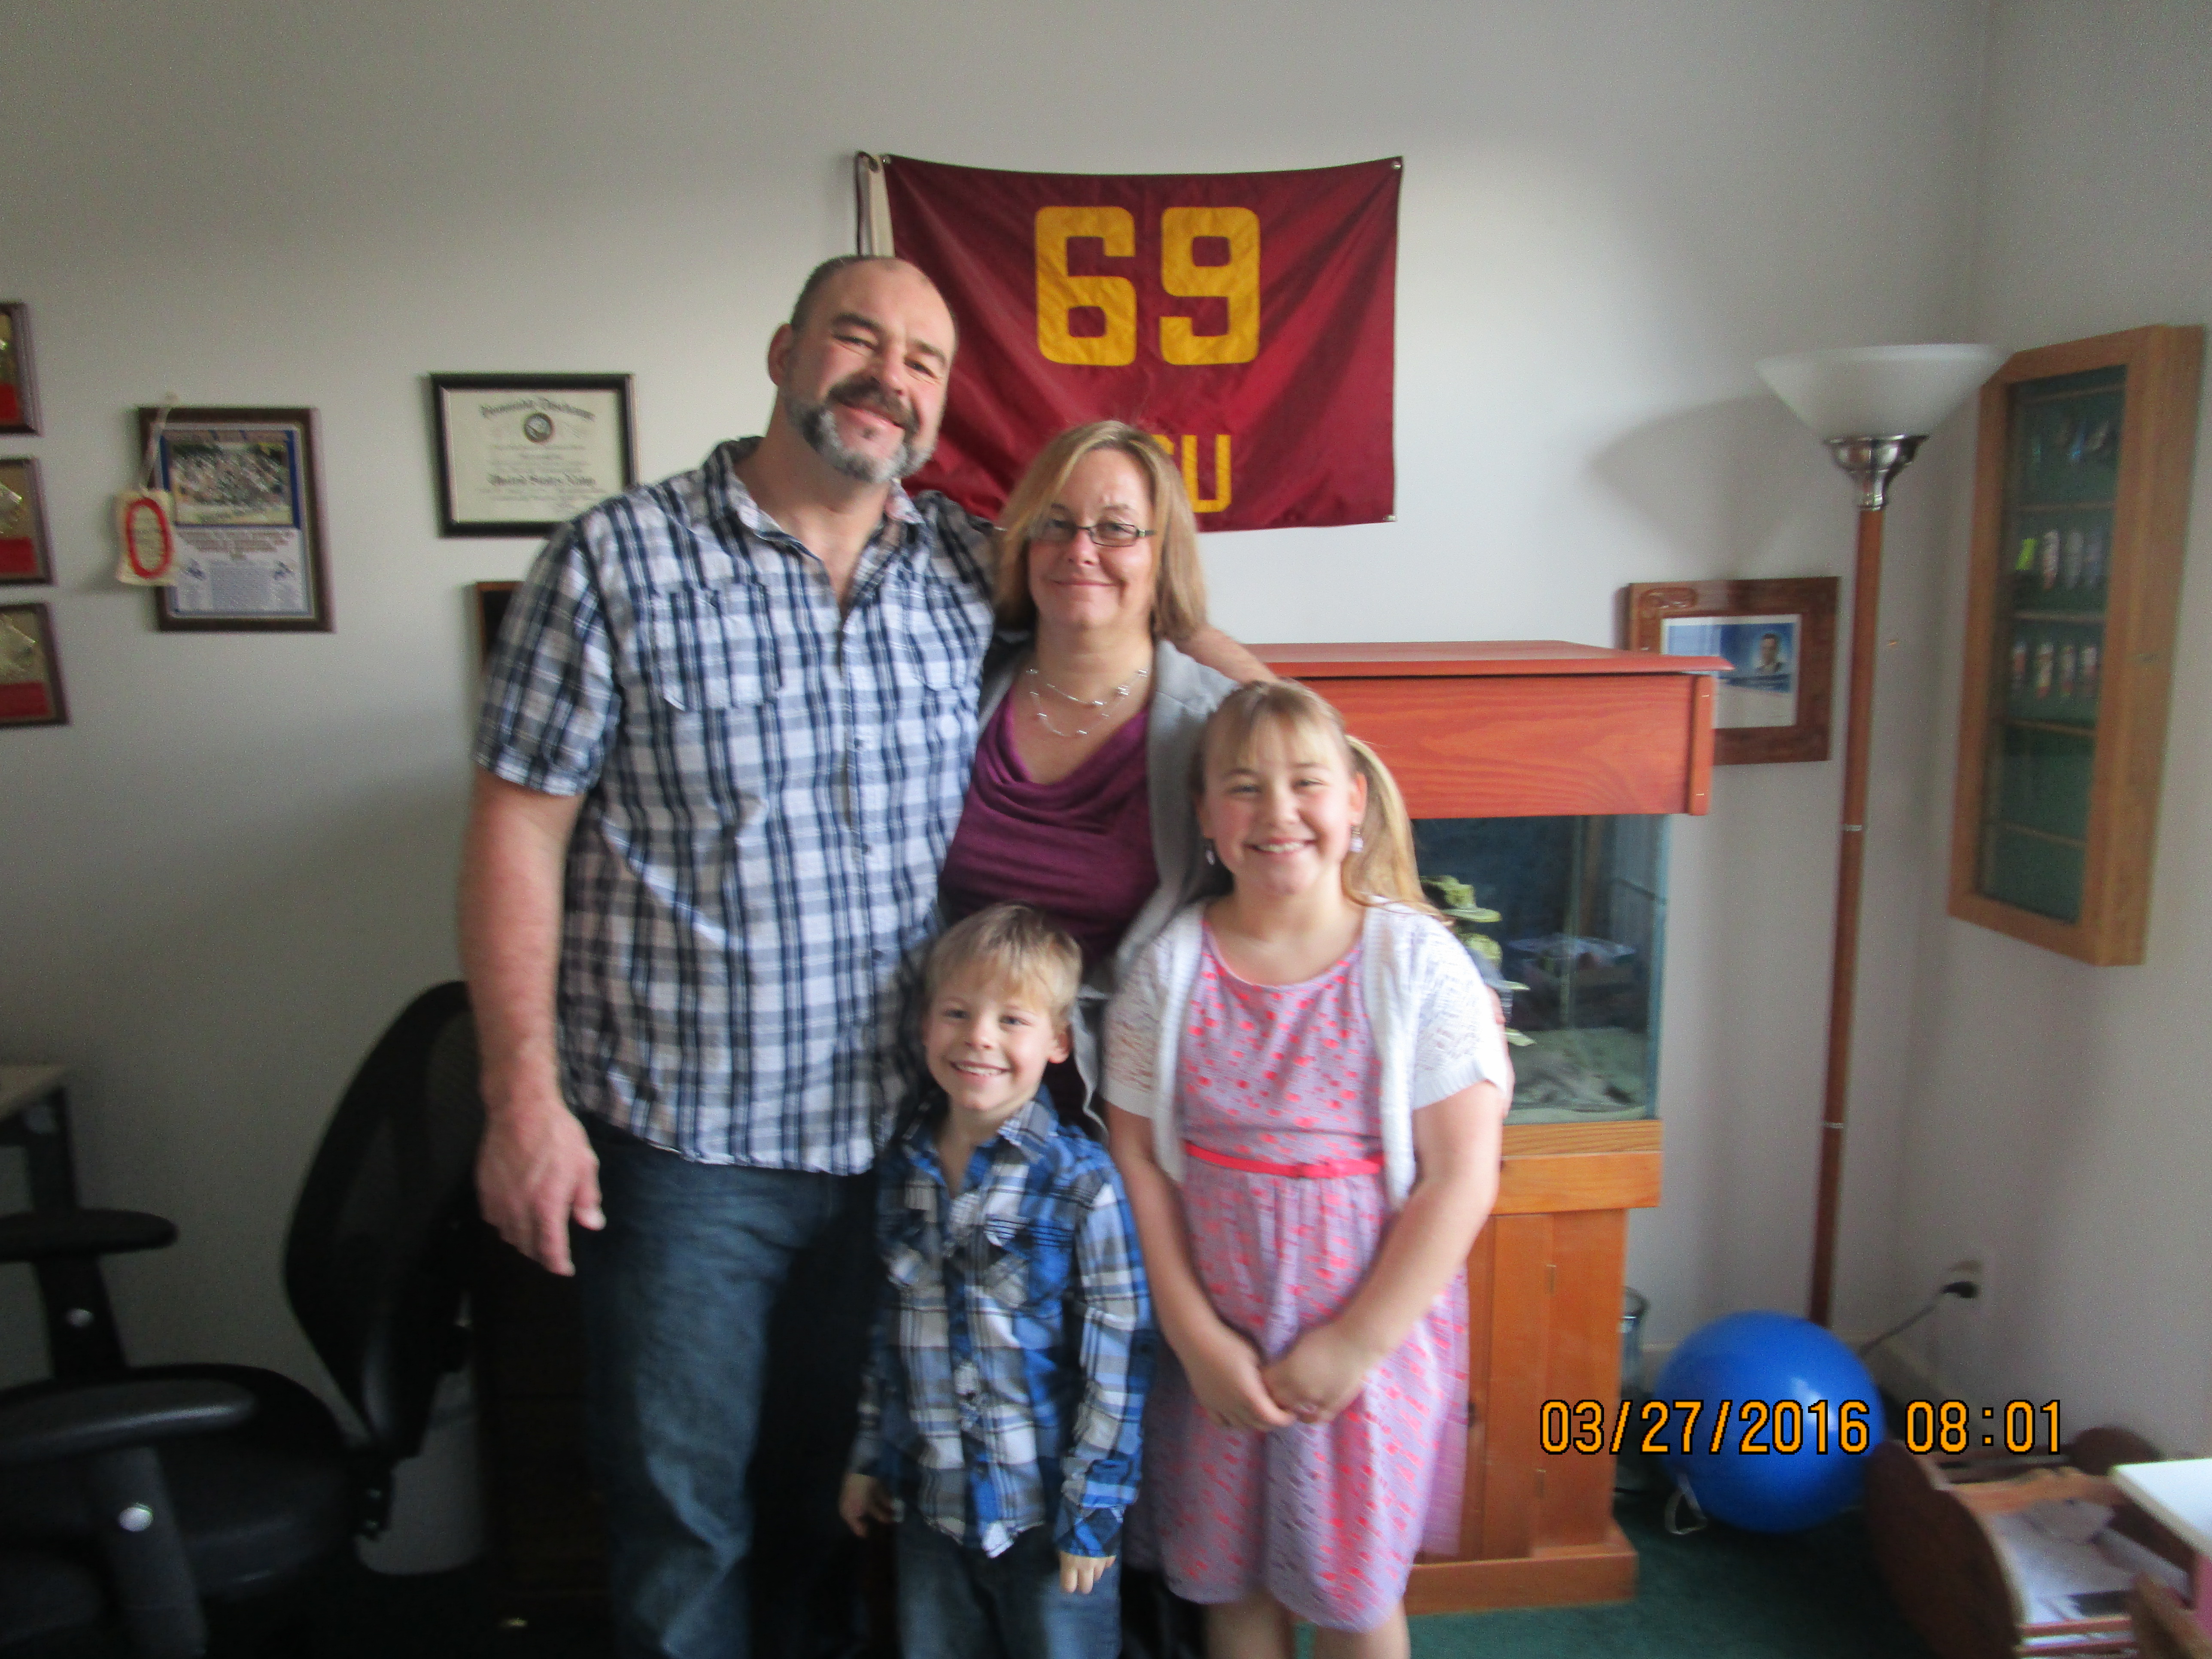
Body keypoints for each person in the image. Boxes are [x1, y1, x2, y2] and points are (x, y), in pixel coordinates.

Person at [461, 254, 1261, 1659]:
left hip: (904, 1149)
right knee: (681, 1517)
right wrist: (520, 1097)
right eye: (857, 339)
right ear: (785, 352)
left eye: (924, 362)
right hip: (689, 1150)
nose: (889, 379)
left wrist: (1297, 732)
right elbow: (516, 829)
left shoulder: (959, 563)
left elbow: (1130, 599)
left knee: (836, 1512)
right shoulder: (614, 560)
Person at [1101, 681, 1514, 1659]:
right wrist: (1195, 1336)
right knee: (1230, 1584)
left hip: (1366, 1347)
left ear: (1354, 799)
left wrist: (1356, 1345)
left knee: (1352, 1596)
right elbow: (1138, 1162)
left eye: (1306, 783)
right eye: (1243, 787)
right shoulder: (1166, 971)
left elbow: (1461, 1176)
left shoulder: (1416, 965)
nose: (1276, 812)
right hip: (1217, 1347)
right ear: (1205, 815)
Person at [840, 904, 1150, 1659]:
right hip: (932, 1509)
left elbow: (1117, 1362)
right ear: (924, 1026)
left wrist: (1093, 1511)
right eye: (957, 1013)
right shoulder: (902, 1170)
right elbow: (887, 1334)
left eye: (1012, 1020)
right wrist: (868, 1457)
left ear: (1058, 1042)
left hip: (1048, 1520)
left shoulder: (1083, 1184)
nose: (979, 1036)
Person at [938, 419, 1242, 1113]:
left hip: (1139, 1115)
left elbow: (1317, 867)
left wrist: (1461, 977)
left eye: (1116, 529)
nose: (1080, 550)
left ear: (1163, 552)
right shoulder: (953, 690)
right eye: (1055, 523)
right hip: (951, 1105)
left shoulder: (1215, 727)